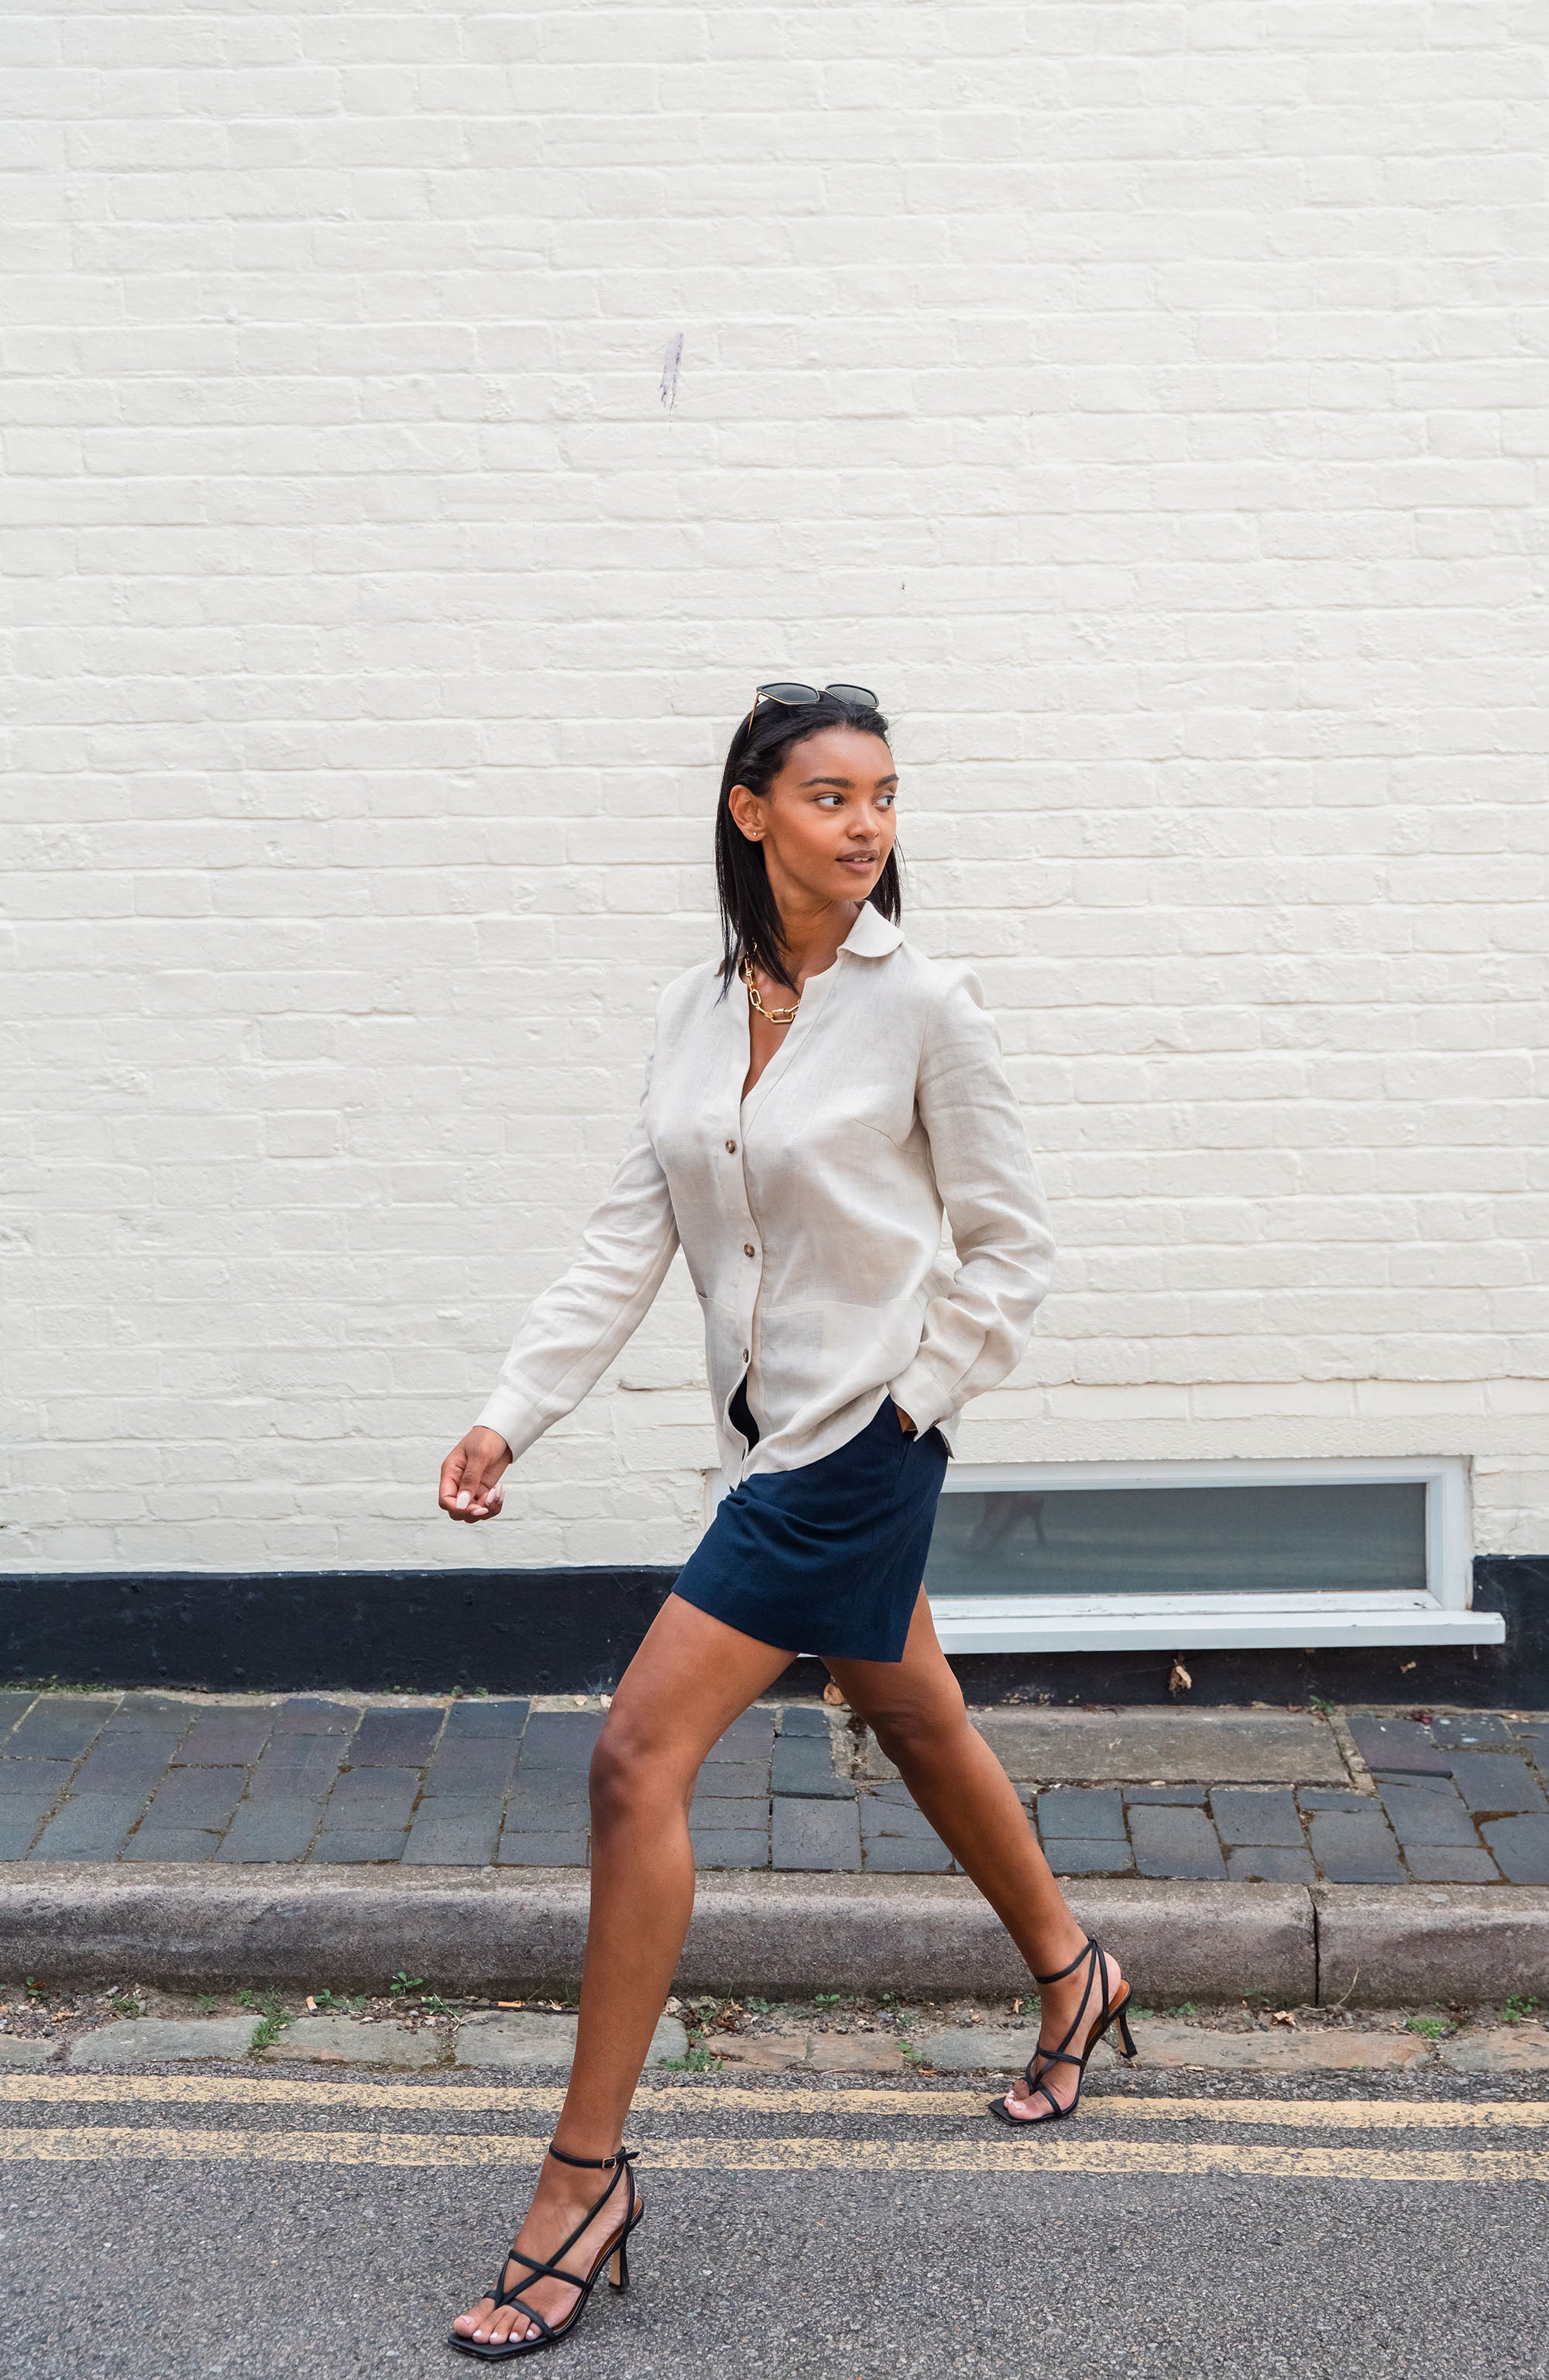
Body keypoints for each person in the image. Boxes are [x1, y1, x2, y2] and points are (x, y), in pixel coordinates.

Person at [438, 684, 1136, 2359]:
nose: (866, 823)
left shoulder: (926, 1009)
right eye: (829, 794)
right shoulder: (694, 1010)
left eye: (883, 796)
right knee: (910, 1708)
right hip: (770, 1445)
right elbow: (635, 1233)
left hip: (855, 1448)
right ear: (751, 812)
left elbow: (1012, 1246)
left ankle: (580, 2182)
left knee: (632, 1762)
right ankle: (1073, 1969)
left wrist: (917, 1399)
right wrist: (509, 1409)